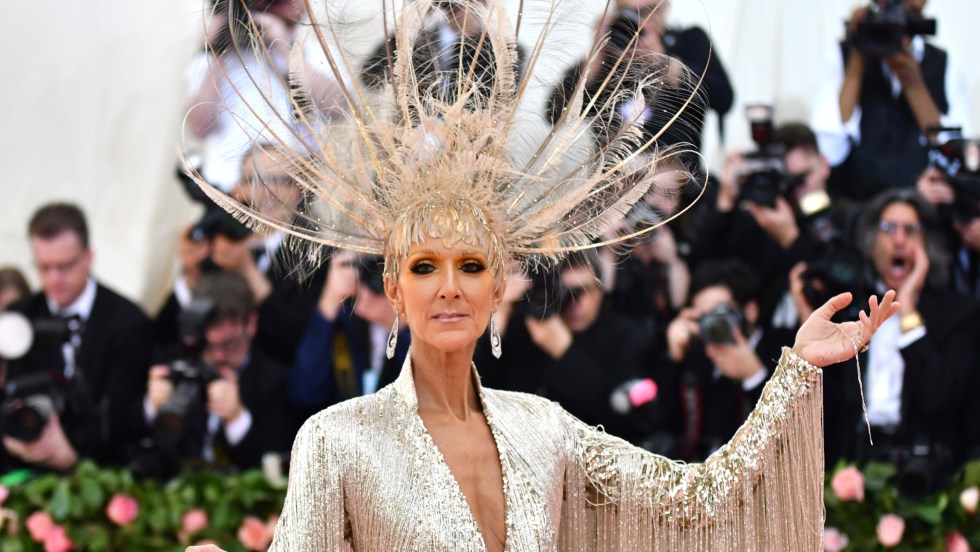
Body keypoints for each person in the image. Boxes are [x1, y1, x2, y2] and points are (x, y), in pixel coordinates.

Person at [185, 1, 898, 550]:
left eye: (471, 265)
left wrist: (796, 371)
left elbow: (699, 501)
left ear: (499, 287)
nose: (450, 287)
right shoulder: (335, 441)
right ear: (394, 288)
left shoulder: (544, 430)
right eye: (425, 266)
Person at [792, 189, 980, 487]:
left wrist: (909, 313)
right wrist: (807, 323)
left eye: (911, 230)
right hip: (849, 470)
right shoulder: (849, 309)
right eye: (888, 228)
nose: (899, 240)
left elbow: (941, 397)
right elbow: (825, 408)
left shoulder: (959, 314)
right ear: (871, 243)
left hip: (926, 474)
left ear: (927, 244)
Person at [3, 203, 153, 472]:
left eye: (65, 266)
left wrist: (74, 458)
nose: (54, 279)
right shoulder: (19, 316)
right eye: (44, 268)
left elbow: (125, 416)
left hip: (105, 474)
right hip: (24, 472)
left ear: (88, 256)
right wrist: (12, 438)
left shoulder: (128, 322)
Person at [810, 0, 972, 200]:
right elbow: (830, 151)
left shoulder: (946, 63)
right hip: (857, 199)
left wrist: (913, 83)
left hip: (923, 200)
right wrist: (858, 54)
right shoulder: (840, 56)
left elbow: (957, 157)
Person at [143, 272, 299, 475]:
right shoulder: (175, 361)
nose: (218, 356)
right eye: (208, 345)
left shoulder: (273, 379)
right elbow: (131, 442)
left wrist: (236, 419)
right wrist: (152, 407)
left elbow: (275, 466)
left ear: (251, 324)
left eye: (228, 344)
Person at [663, 260, 796, 461]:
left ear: (750, 311)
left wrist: (754, 377)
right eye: (703, 317)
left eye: (720, 313)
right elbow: (664, 424)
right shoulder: (698, 355)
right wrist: (675, 357)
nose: (711, 325)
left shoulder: (786, 350)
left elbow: (795, 435)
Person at [287, 252, 410, 414]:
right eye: (372, 267)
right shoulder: (343, 319)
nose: (380, 279)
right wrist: (329, 303)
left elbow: (430, 390)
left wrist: (401, 324)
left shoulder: (424, 322)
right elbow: (304, 393)